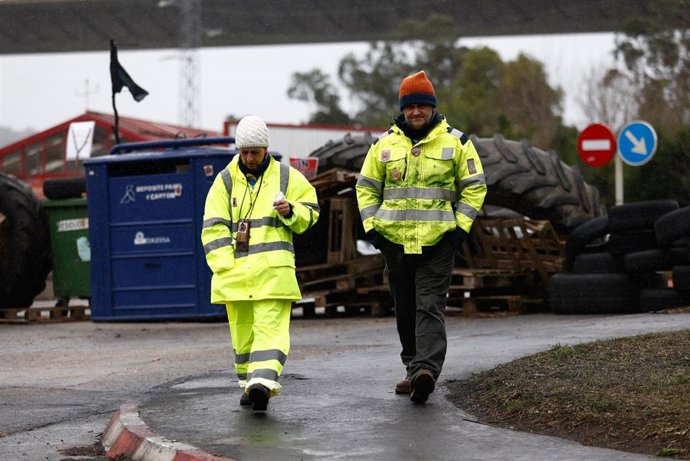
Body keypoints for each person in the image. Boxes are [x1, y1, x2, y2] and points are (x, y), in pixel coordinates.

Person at [356, 71, 487, 404]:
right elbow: (366, 189)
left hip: (438, 242)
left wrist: (459, 230)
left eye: (422, 106)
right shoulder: (382, 145)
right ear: (402, 109)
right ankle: (413, 368)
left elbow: (475, 188)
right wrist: (373, 230)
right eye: (410, 106)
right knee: (405, 308)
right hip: (393, 244)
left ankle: (426, 371)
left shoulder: (457, 143)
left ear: (433, 107)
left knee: (429, 306)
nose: (416, 112)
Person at [201, 115, 320, 412]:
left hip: (274, 273)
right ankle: (247, 384)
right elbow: (212, 227)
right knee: (243, 336)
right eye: (244, 152)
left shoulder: (286, 176)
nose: (250, 158)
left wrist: (291, 210)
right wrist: (224, 266)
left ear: (266, 148)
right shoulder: (225, 181)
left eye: (255, 151)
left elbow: (311, 211)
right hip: (235, 276)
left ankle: (262, 384)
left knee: (271, 331)